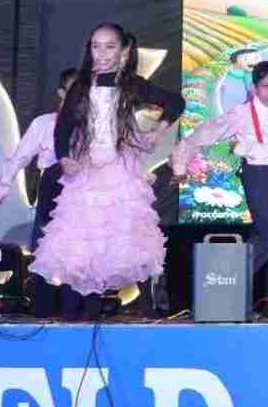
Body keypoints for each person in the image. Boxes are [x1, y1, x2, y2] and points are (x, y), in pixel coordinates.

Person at [30, 22, 183, 321]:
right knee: (87, 238)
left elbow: (176, 102)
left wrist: (158, 130)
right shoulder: (81, 86)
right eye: (96, 46)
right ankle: (87, 310)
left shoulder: (132, 84)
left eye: (109, 46)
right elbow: (63, 128)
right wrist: (64, 157)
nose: (101, 53)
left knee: (131, 235)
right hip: (87, 171)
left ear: (123, 51)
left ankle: (149, 308)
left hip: (120, 170)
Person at [175, 59, 268, 322]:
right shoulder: (241, 114)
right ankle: (223, 278)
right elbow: (203, 134)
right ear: (254, 87)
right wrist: (179, 162)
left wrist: (247, 146)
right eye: (266, 86)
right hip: (258, 173)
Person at [0, 68, 76, 312]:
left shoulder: (94, 126)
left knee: (80, 244)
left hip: (84, 185)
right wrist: (4, 184)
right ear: (61, 92)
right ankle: (42, 304)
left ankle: (74, 304)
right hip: (54, 182)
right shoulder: (44, 123)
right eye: (73, 90)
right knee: (46, 241)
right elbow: (22, 154)